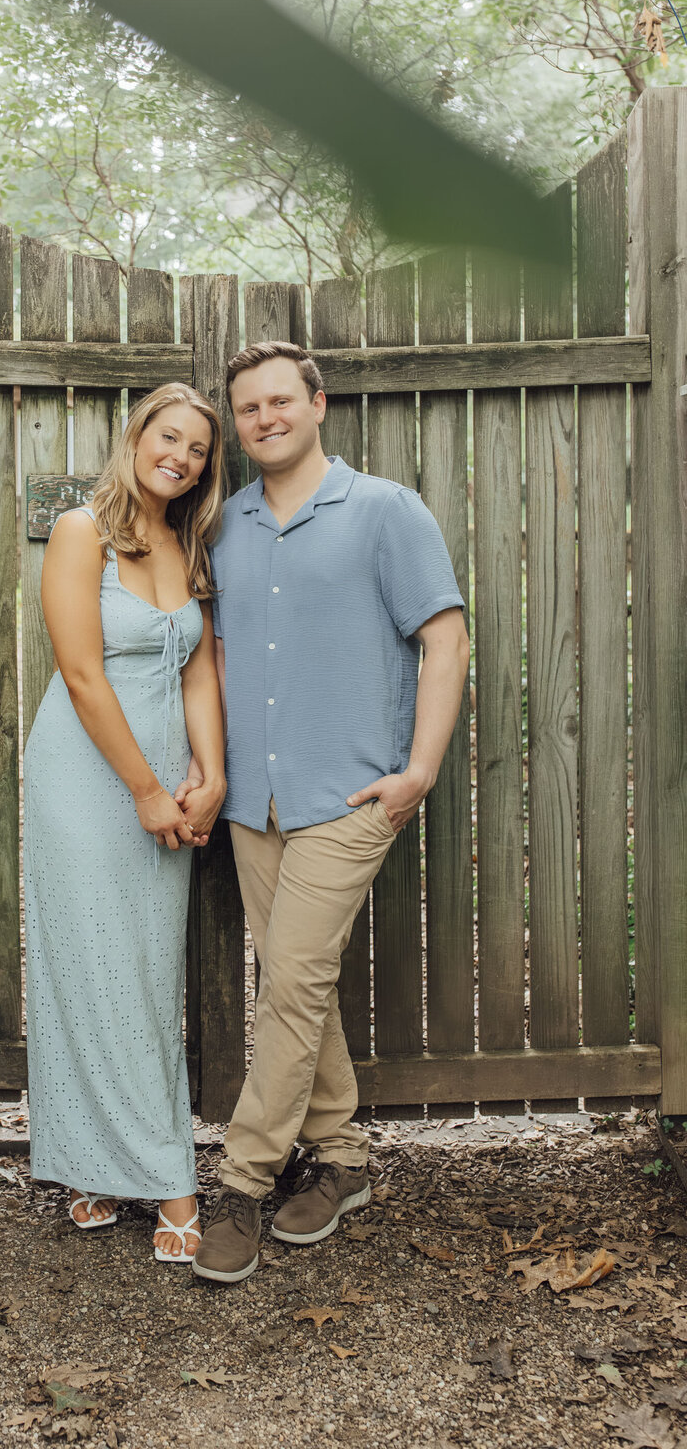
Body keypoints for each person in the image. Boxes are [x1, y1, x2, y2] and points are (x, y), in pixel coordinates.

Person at [184, 342, 470, 1284]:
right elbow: (214, 659)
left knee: (292, 984)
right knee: (300, 986)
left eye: (280, 401)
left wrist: (417, 770)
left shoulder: (385, 510)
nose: (265, 419)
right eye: (249, 409)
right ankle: (343, 1160)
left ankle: (243, 1180)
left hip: (349, 795)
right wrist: (214, 775)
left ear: (316, 404)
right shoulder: (225, 524)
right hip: (256, 805)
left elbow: (444, 638)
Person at [24, 382, 228, 1263]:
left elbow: (195, 673)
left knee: (144, 972)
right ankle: (152, 1176)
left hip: (166, 785)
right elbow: (81, 674)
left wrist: (209, 776)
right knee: (86, 965)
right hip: (85, 779)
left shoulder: (189, 543)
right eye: (167, 437)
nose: (178, 458)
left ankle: (113, 1161)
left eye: (196, 452)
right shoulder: (82, 533)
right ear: (136, 435)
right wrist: (146, 789)